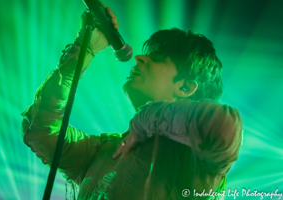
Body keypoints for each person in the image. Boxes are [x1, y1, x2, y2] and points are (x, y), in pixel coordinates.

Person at [21, 3, 242, 200]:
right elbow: (40, 128)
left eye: (156, 59)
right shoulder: (105, 149)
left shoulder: (196, 156)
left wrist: (142, 120)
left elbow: (224, 126)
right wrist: (86, 46)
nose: (139, 58)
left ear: (184, 87)